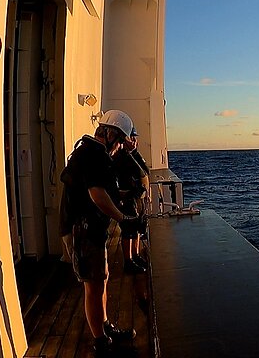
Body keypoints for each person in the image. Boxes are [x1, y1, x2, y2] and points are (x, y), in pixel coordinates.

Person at [59, 109, 141, 357]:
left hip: (90, 229)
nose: (119, 149)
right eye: (120, 142)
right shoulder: (93, 155)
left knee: (101, 278)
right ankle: (100, 342)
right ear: (111, 135)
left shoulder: (93, 153)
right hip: (83, 230)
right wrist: (123, 218)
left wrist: (126, 197)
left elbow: (103, 190)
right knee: (93, 286)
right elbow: (97, 195)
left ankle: (104, 327)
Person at [113, 126, 150, 274]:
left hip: (136, 197)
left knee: (137, 228)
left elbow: (145, 170)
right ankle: (128, 261)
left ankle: (135, 255)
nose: (134, 140)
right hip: (126, 198)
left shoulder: (131, 155)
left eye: (135, 137)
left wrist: (134, 152)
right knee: (128, 230)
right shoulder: (121, 156)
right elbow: (140, 171)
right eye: (131, 137)